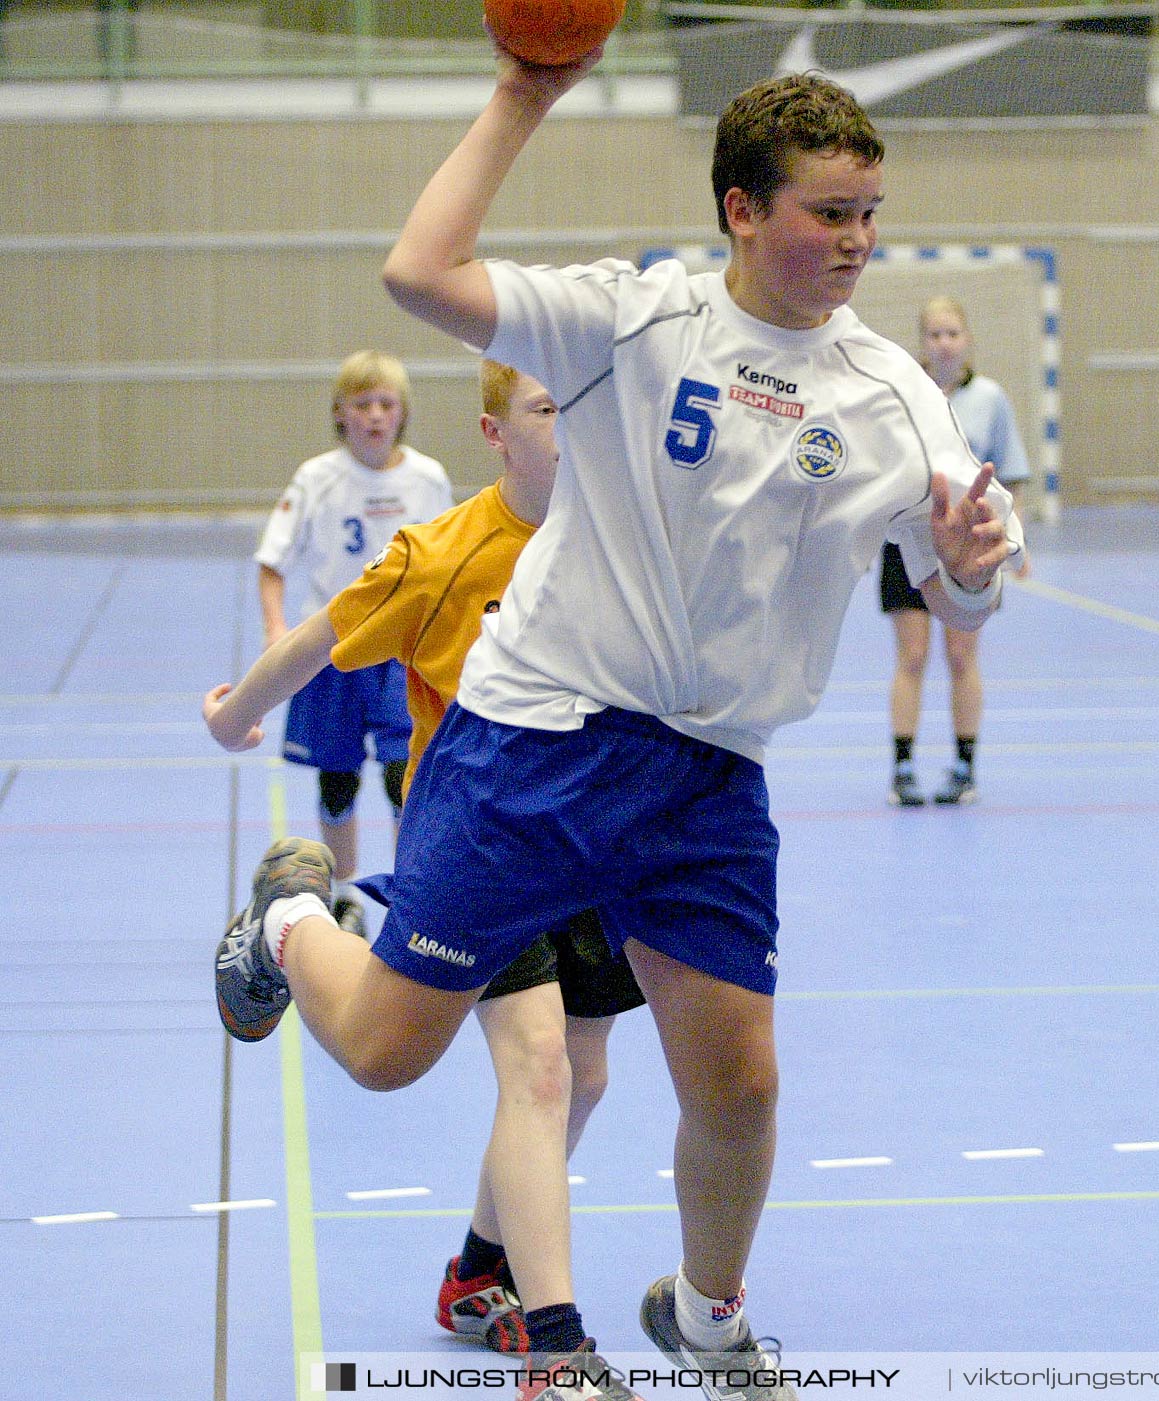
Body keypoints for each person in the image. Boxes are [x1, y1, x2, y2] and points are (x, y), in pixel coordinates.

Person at [213, 55, 1022, 1401]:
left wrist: (973, 560)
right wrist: (529, 92)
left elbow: (966, 596)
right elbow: (420, 271)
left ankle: (707, 1319)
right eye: (830, 211)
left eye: (871, 211)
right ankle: (290, 926)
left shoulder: (895, 394)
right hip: (537, 740)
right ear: (742, 212)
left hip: (711, 779)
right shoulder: (630, 319)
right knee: (386, 1053)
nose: (859, 240)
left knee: (741, 1088)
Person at [208, 362, 644, 1371]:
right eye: (548, 412)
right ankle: (558, 1353)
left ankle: (476, 1277)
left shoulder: (631, 542)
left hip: (594, 841)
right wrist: (236, 716)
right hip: (478, 836)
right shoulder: (443, 553)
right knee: (526, 1066)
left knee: (582, 1075)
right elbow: (320, 640)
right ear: (497, 434)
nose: (576, 430)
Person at [253, 350, 453, 934]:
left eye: (385, 404)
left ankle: (408, 894)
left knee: (405, 777)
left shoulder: (426, 477)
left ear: (402, 413)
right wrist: (276, 632)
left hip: (402, 655)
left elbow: (449, 564)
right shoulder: (318, 478)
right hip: (334, 652)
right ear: (340, 413)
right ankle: (345, 898)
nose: (373, 416)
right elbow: (272, 562)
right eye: (361, 404)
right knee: (337, 779)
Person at [881, 295, 1032, 807]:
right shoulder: (904, 393)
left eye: (952, 333)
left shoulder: (990, 398)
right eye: (934, 334)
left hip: (973, 545)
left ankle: (964, 765)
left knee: (961, 651)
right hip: (909, 537)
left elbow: (1009, 473)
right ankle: (903, 765)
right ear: (922, 342)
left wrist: (1017, 544)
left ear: (966, 339)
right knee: (913, 654)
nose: (943, 343)